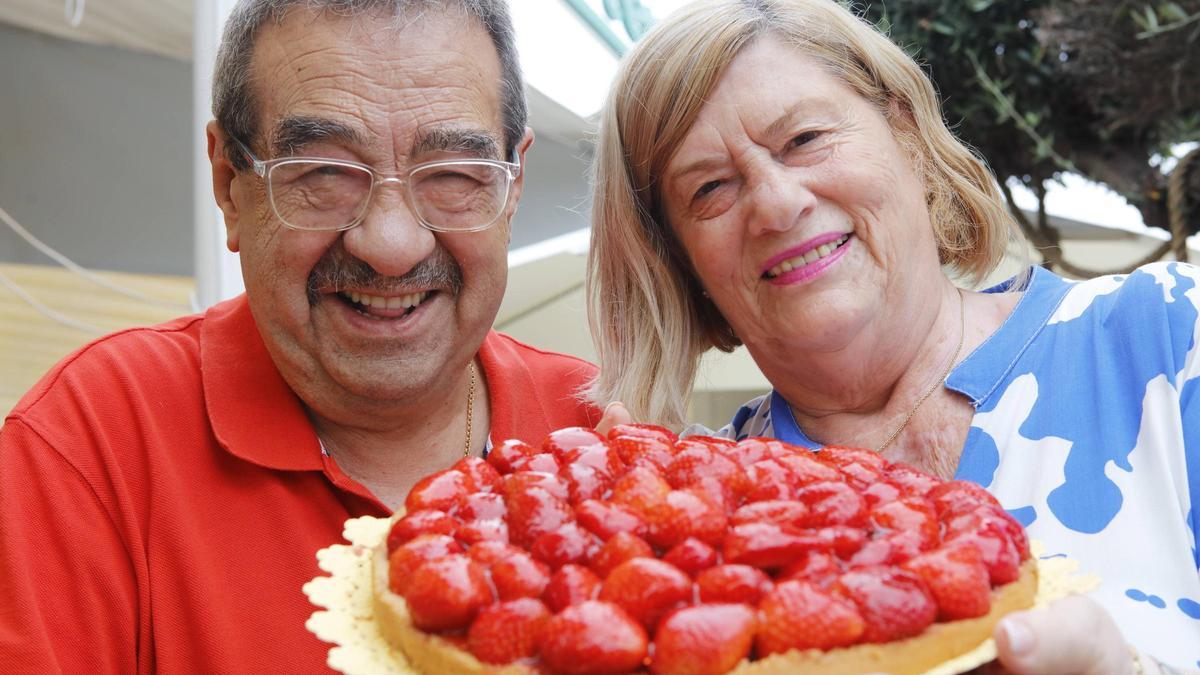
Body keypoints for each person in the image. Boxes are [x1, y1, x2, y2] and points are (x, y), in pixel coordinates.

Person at [586, 0, 1200, 671]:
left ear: (906, 133)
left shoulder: (1171, 333)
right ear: (679, 261)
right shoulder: (711, 513)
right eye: (710, 188)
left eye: (805, 139)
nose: (778, 204)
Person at [0, 1, 603, 672]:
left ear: (513, 186)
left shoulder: (601, 436)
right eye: (323, 173)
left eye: (453, 175)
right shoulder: (95, 441)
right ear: (230, 186)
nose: (391, 245)